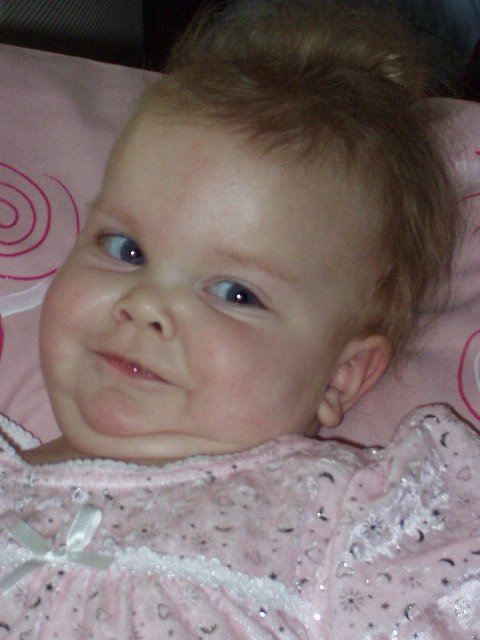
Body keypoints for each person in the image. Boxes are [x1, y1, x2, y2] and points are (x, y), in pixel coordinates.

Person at [0, 1, 478, 638]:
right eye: (125, 250)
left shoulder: (339, 525)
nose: (147, 305)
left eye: (234, 293)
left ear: (339, 378)